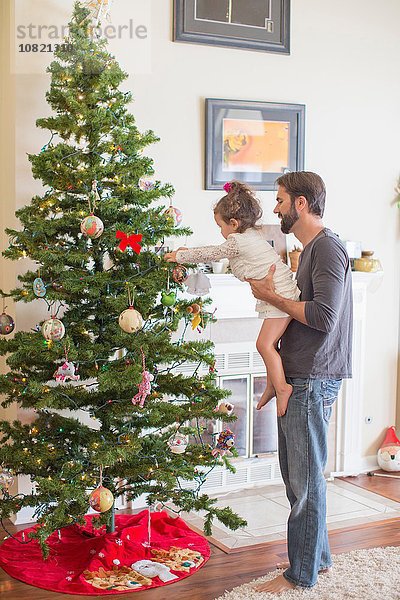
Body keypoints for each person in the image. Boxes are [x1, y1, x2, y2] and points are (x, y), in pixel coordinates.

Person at [246, 171, 353, 594]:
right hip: (299, 375)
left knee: (305, 483)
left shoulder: (327, 249)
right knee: (297, 478)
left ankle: (300, 575)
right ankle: (318, 559)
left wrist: (272, 297)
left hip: (313, 377)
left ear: (302, 203)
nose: (275, 208)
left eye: (280, 199)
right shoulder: (308, 250)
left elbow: (324, 317)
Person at [164, 180, 300, 417]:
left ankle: (282, 387)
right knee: (272, 345)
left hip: (280, 297)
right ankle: (272, 384)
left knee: (264, 345)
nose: (221, 232)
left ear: (234, 224)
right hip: (277, 295)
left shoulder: (237, 241)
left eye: (220, 226)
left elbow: (211, 252)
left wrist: (181, 255)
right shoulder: (252, 237)